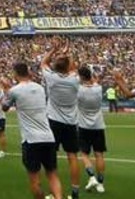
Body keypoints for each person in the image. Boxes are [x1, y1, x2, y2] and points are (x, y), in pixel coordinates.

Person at [3, 61, 64, 199]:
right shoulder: (40, 88)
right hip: (48, 137)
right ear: (28, 72)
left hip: (31, 140)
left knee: (35, 180)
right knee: (52, 175)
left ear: (15, 73)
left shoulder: (14, 91)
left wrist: (7, 88)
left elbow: (5, 107)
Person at [41, 42, 82, 199]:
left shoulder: (51, 78)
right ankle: (75, 191)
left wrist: (54, 50)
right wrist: (67, 54)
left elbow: (43, 62)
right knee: (73, 157)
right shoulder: (74, 79)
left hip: (53, 121)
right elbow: (74, 68)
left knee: (51, 157)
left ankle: (54, 192)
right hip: (71, 122)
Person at [76, 66, 108, 194]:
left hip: (84, 126)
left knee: (84, 154)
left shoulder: (79, 90)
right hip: (98, 125)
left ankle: (92, 176)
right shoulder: (98, 88)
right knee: (99, 154)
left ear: (81, 77)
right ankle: (100, 183)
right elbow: (95, 81)